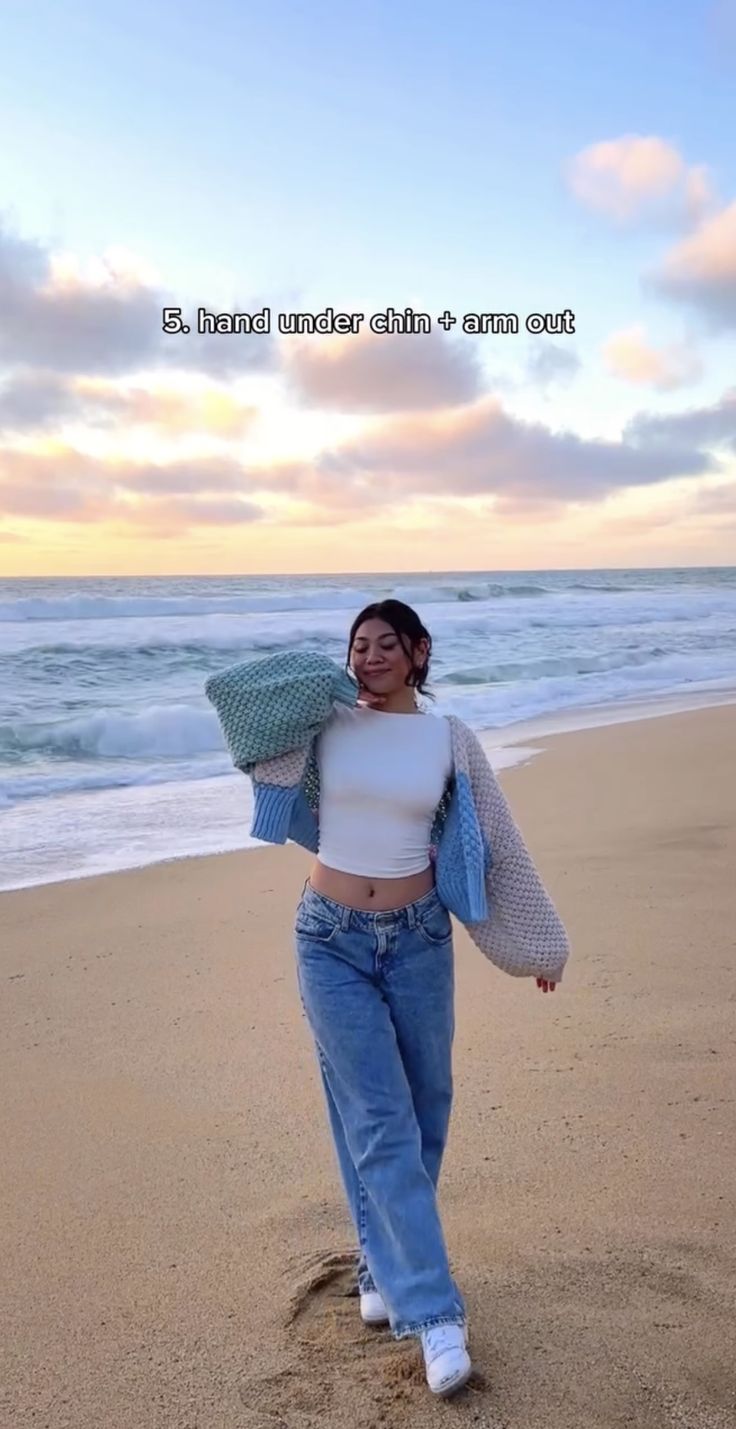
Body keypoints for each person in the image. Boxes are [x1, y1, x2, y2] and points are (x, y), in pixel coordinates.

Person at [204, 598, 570, 1400]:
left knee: (426, 1106)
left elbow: (498, 843)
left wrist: (539, 944)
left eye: (383, 645)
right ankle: (435, 1313)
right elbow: (238, 695)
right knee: (378, 1118)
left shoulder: (449, 739)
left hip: (418, 941)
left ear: (418, 653)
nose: (367, 657)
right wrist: (321, 679)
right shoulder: (324, 725)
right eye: (356, 646)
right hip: (328, 938)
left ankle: (380, 1259)